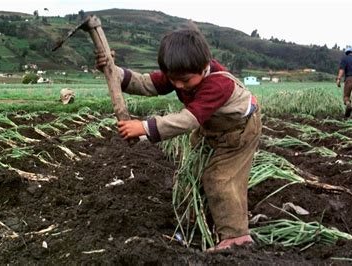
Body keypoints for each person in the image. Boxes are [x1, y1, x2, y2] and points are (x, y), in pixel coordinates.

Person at [96, 26, 261, 251]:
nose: (178, 86)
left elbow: (188, 120)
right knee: (194, 171)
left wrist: (144, 127)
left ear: (204, 68)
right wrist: (114, 71)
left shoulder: (218, 84)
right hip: (211, 127)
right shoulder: (179, 73)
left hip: (239, 131)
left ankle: (236, 238)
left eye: (184, 81)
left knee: (220, 179)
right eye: (173, 80)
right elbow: (146, 83)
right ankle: (205, 215)